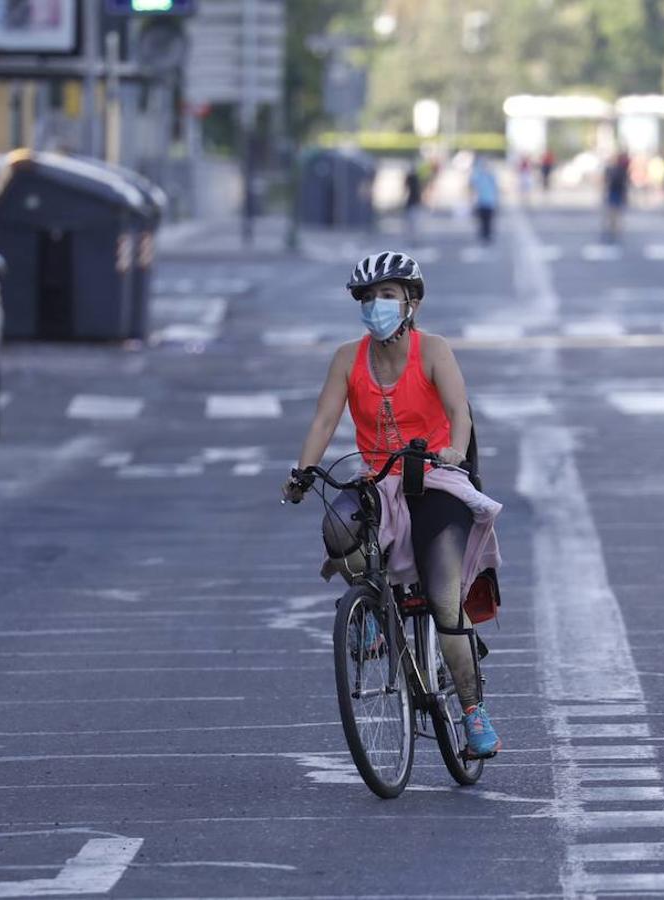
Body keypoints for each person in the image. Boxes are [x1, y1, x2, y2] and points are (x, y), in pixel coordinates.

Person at [282, 252, 502, 759]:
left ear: (411, 303)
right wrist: (300, 473)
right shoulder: (346, 358)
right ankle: (378, 618)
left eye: (386, 295)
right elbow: (323, 421)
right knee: (338, 525)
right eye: (367, 298)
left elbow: (458, 412)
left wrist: (452, 448)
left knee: (446, 603)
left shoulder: (434, 351)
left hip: (435, 480)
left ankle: (473, 711)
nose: (375, 306)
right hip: (378, 481)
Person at [468, 156, 499, 244]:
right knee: (482, 220)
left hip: (489, 202)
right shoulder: (478, 175)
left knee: (488, 220)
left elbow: (495, 188)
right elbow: (472, 186)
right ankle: (484, 235)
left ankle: (487, 235)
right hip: (481, 202)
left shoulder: (490, 175)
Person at [603, 153, 629, 241]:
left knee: (613, 212)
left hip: (614, 192)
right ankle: (614, 228)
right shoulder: (620, 170)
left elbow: (608, 181)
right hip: (616, 192)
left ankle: (613, 227)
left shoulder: (614, 170)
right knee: (615, 212)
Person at [403, 162, 423, 239]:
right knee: (414, 220)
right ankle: (413, 235)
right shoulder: (416, 178)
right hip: (414, 201)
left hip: (413, 201)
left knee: (412, 220)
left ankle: (413, 235)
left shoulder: (413, 178)